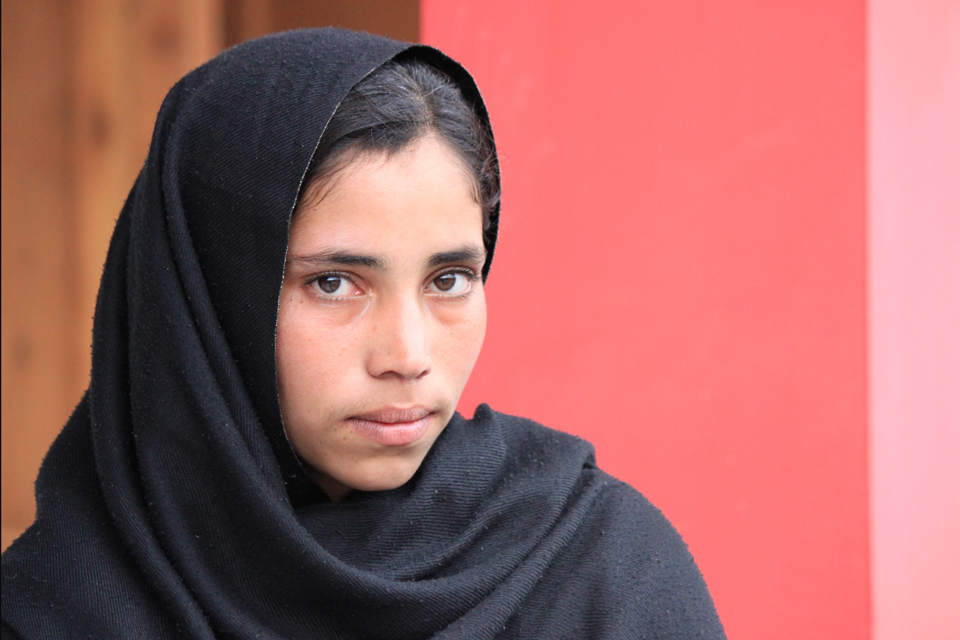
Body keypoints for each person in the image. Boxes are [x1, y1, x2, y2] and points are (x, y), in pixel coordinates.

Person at [0, 28, 726, 639]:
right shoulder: (53, 611)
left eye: (448, 280)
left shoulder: (603, 577)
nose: (408, 357)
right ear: (208, 297)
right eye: (334, 283)